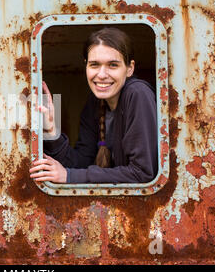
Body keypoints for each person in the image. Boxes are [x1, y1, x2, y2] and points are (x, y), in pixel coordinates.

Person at [29, 27, 158, 184]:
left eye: (113, 65)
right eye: (94, 65)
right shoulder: (95, 102)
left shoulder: (137, 93)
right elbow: (81, 163)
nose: (102, 75)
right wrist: (51, 130)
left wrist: (69, 176)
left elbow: (142, 173)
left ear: (129, 68)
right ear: (86, 65)